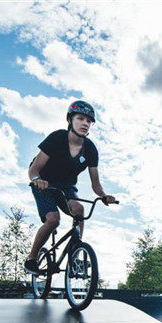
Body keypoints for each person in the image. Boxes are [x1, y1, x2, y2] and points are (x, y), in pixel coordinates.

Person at [23, 100, 116, 274]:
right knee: (53, 219)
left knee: (79, 209)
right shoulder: (57, 138)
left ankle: (75, 256)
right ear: (70, 120)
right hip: (44, 184)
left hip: (66, 187)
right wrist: (37, 179)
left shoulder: (90, 149)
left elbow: (95, 183)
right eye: (80, 118)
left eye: (89, 121)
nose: (85, 123)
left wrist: (104, 195)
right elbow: (34, 169)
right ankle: (32, 258)